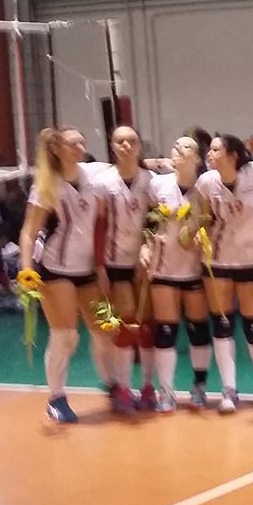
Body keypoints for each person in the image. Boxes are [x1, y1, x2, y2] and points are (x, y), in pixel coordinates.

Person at [18, 126, 114, 423]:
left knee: (106, 327)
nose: (79, 148)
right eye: (72, 144)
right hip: (55, 269)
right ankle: (56, 398)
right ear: (57, 149)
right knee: (66, 335)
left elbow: (130, 165)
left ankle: (113, 386)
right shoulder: (46, 186)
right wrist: (26, 271)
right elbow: (28, 232)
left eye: (81, 142)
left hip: (88, 269)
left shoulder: (95, 175)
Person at [196, 134, 253, 412]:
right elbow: (204, 217)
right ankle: (229, 390)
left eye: (216, 149)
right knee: (222, 325)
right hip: (218, 259)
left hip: (251, 258)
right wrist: (199, 233)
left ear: (232, 155)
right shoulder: (206, 182)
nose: (210, 154)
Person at [143, 135, 211, 413]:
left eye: (186, 147)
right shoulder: (157, 184)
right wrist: (145, 245)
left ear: (198, 158)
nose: (178, 149)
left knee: (198, 328)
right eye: (175, 146)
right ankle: (166, 391)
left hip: (195, 269)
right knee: (166, 329)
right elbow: (148, 220)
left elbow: (213, 221)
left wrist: (203, 238)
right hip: (164, 267)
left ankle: (199, 386)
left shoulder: (205, 187)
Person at [94, 126, 156, 408]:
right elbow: (98, 225)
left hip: (144, 261)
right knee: (125, 323)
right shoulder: (103, 182)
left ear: (139, 146)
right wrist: (99, 266)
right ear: (112, 146)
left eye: (131, 141)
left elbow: (156, 219)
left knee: (147, 325)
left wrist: (148, 246)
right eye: (120, 141)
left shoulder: (150, 181)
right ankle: (122, 387)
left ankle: (148, 386)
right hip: (114, 262)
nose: (126, 146)